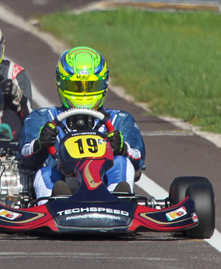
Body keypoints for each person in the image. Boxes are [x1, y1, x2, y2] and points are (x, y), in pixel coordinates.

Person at [19, 47, 145, 200]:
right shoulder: (43, 117)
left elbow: (138, 158)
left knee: (121, 161)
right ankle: (54, 201)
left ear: (104, 84)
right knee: (45, 172)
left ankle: (118, 198)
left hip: (104, 183)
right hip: (62, 183)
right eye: (76, 86)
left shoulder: (120, 119)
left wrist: (122, 148)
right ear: (61, 84)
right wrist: (40, 144)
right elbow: (25, 156)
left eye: (91, 86)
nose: (83, 93)